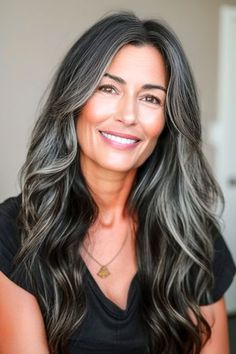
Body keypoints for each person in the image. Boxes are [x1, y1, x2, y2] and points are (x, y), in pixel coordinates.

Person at [0, 11, 235, 354]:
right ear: (75, 99)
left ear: (167, 121)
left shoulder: (195, 238)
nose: (128, 115)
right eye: (109, 88)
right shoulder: (14, 232)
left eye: (150, 98)